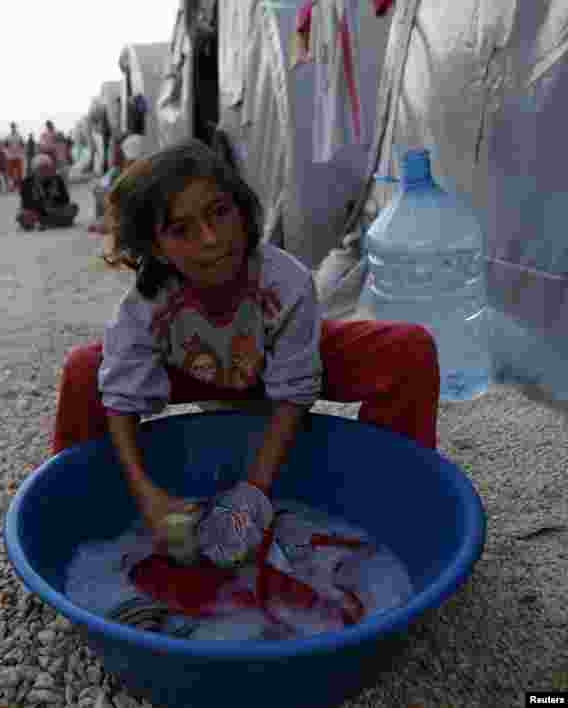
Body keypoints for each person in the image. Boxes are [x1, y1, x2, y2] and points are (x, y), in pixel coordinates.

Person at [50, 139, 440, 558]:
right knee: (85, 369)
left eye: (219, 213)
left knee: (408, 350)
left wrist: (253, 492)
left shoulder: (285, 282)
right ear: (155, 249)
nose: (212, 239)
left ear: (242, 208)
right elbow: (122, 395)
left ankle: (395, 505)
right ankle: (79, 517)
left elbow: (293, 390)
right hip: (193, 368)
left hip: (276, 361)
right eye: (181, 230)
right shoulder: (149, 303)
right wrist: (147, 496)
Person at [16, 154, 79, 231]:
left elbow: (65, 199)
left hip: (55, 210)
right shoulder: (27, 182)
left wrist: (54, 200)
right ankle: (52, 222)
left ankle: (45, 223)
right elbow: (26, 203)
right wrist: (43, 207)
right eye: (42, 169)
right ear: (35, 170)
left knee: (73, 207)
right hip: (36, 213)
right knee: (22, 215)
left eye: (47, 168)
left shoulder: (57, 179)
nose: (45, 171)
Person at [6, 123, 26, 192]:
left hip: (18, 157)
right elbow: (5, 145)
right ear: (11, 128)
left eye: (14, 127)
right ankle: (11, 187)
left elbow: (23, 145)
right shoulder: (8, 136)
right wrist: (7, 153)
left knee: (19, 173)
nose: (13, 128)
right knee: (10, 173)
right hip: (10, 157)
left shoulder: (19, 136)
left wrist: (21, 152)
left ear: (15, 128)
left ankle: (20, 187)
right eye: (12, 127)